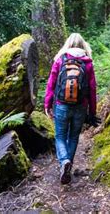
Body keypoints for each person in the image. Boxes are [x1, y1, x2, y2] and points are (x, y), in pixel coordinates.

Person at [44, 33, 100, 184]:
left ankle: (64, 162)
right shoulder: (87, 63)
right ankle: (67, 163)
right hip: (80, 106)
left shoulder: (60, 59)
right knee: (73, 137)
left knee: (60, 136)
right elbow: (92, 89)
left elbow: (51, 84)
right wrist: (92, 112)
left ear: (68, 44)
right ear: (83, 45)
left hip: (61, 105)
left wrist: (47, 104)